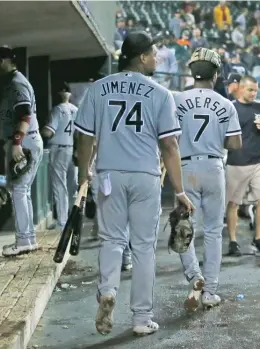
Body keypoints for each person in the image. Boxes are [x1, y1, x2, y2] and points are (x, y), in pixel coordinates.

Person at [73, 31, 194, 336]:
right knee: (142, 248)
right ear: (141, 57)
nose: (156, 58)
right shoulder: (161, 94)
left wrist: (83, 175)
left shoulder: (98, 89)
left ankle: (107, 292)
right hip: (145, 176)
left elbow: (84, 138)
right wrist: (179, 190)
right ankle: (141, 318)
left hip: (109, 175)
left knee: (113, 240)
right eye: (153, 53)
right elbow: (170, 146)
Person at [174, 47, 242, 311]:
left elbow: (169, 139)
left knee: (183, 227)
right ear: (216, 74)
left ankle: (194, 275)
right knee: (214, 231)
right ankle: (210, 291)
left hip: (185, 167)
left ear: (192, 73)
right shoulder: (226, 104)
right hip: (214, 167)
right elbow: (234, 142)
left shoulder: (177, 99)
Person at [0, 47, 44, 257]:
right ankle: (28, 239)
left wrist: (17, 143)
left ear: (9, 61)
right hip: (27, 140)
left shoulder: (17, 83)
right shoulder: (11, 82)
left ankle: (23, 240)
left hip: (25, 140)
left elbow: (25, 115)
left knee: (19, 191)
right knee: (22, 191)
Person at [225, 76, 260, 256]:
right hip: (236, 162)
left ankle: (259, 238)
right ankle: (232, 241)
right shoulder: (231, 107)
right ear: (240, 88)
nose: (254, 93)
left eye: (255, 90)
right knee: (233, 204)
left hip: (257, 161)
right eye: (250, 90)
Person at [41, 82, 77, 233]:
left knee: (60, 186)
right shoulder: (76, 109)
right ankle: (73, 219)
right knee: (72, 186)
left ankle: (63, 222)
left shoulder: (57, 109)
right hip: (71, 148)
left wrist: (37, 131)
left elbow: (48, 132)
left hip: (58, 149)